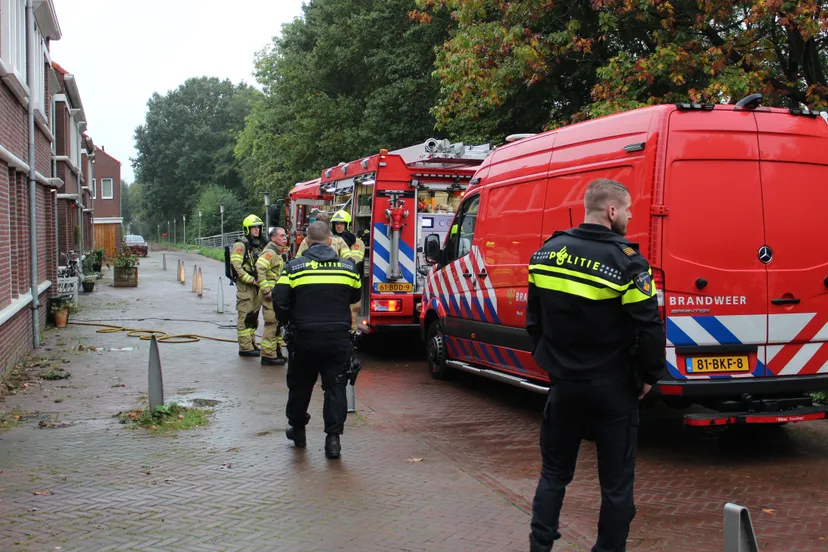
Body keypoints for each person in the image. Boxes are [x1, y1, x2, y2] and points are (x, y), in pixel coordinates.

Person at [526, 178, 665, 552]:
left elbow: (534, 322)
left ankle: (540, 545)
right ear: (612, 210)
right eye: (629, 210)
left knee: (553, 474)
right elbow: (650, 328)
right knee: (616, 485)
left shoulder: (545, 254)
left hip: (564, 386)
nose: (630, 216)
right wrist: (649, 376)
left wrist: (553, 364)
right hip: (612, 388)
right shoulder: (628, 263)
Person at [273, 221, 362, 459]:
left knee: (300, 386)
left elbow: (279, 301)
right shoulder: (348, 268)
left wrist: (291, 319)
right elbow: (354, 296)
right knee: (336, 387)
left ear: (307, 241)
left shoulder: (294, 268)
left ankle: (298, 431)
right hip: (338, 340)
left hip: (304, 340)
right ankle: (333, 441)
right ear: (331, 241)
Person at [230, 215, 267, 357]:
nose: (257, 230)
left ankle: (251, 343)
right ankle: (245, 347)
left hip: (256, 286)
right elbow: (236, 267)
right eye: (253, 228)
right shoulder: (240, 245)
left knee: (253, 316)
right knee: (245, 316)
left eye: (258, 227)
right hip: (246, 286)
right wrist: (251, 280)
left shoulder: (258, 244)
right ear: (247, 229)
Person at [256, 226, 289, 365]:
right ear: (273, 238)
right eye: (281, 236)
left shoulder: (278, 251)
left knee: (277, 324)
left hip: (277, 295)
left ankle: (276, 352)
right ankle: (268, 355)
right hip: (270, 296)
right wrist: (266, 290)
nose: (284, 238)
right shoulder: (270, 252)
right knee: (271, 324)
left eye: (285, 236)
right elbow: (259, 268)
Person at [330, 209, 365, 331]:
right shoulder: (329, 241)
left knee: (352, 314)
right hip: (334, 282)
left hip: (351, 283)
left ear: (347, 225)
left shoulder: (358, 243)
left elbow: (356, 262)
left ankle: (352, 336)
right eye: (336, 223)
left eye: (341, 223)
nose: (338, 226)